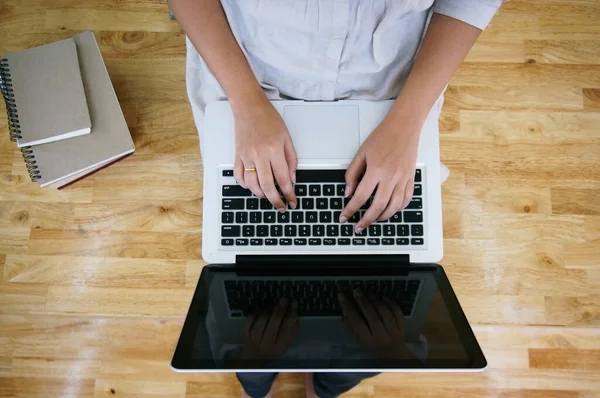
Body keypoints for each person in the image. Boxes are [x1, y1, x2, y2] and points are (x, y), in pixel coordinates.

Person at [169, 0, 504, 396]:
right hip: (247, 74)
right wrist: (247, 103)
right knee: (245, 343)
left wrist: (406, 121)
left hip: (391, 96)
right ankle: (256, 381)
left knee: (367, 345)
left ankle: (320, 388)